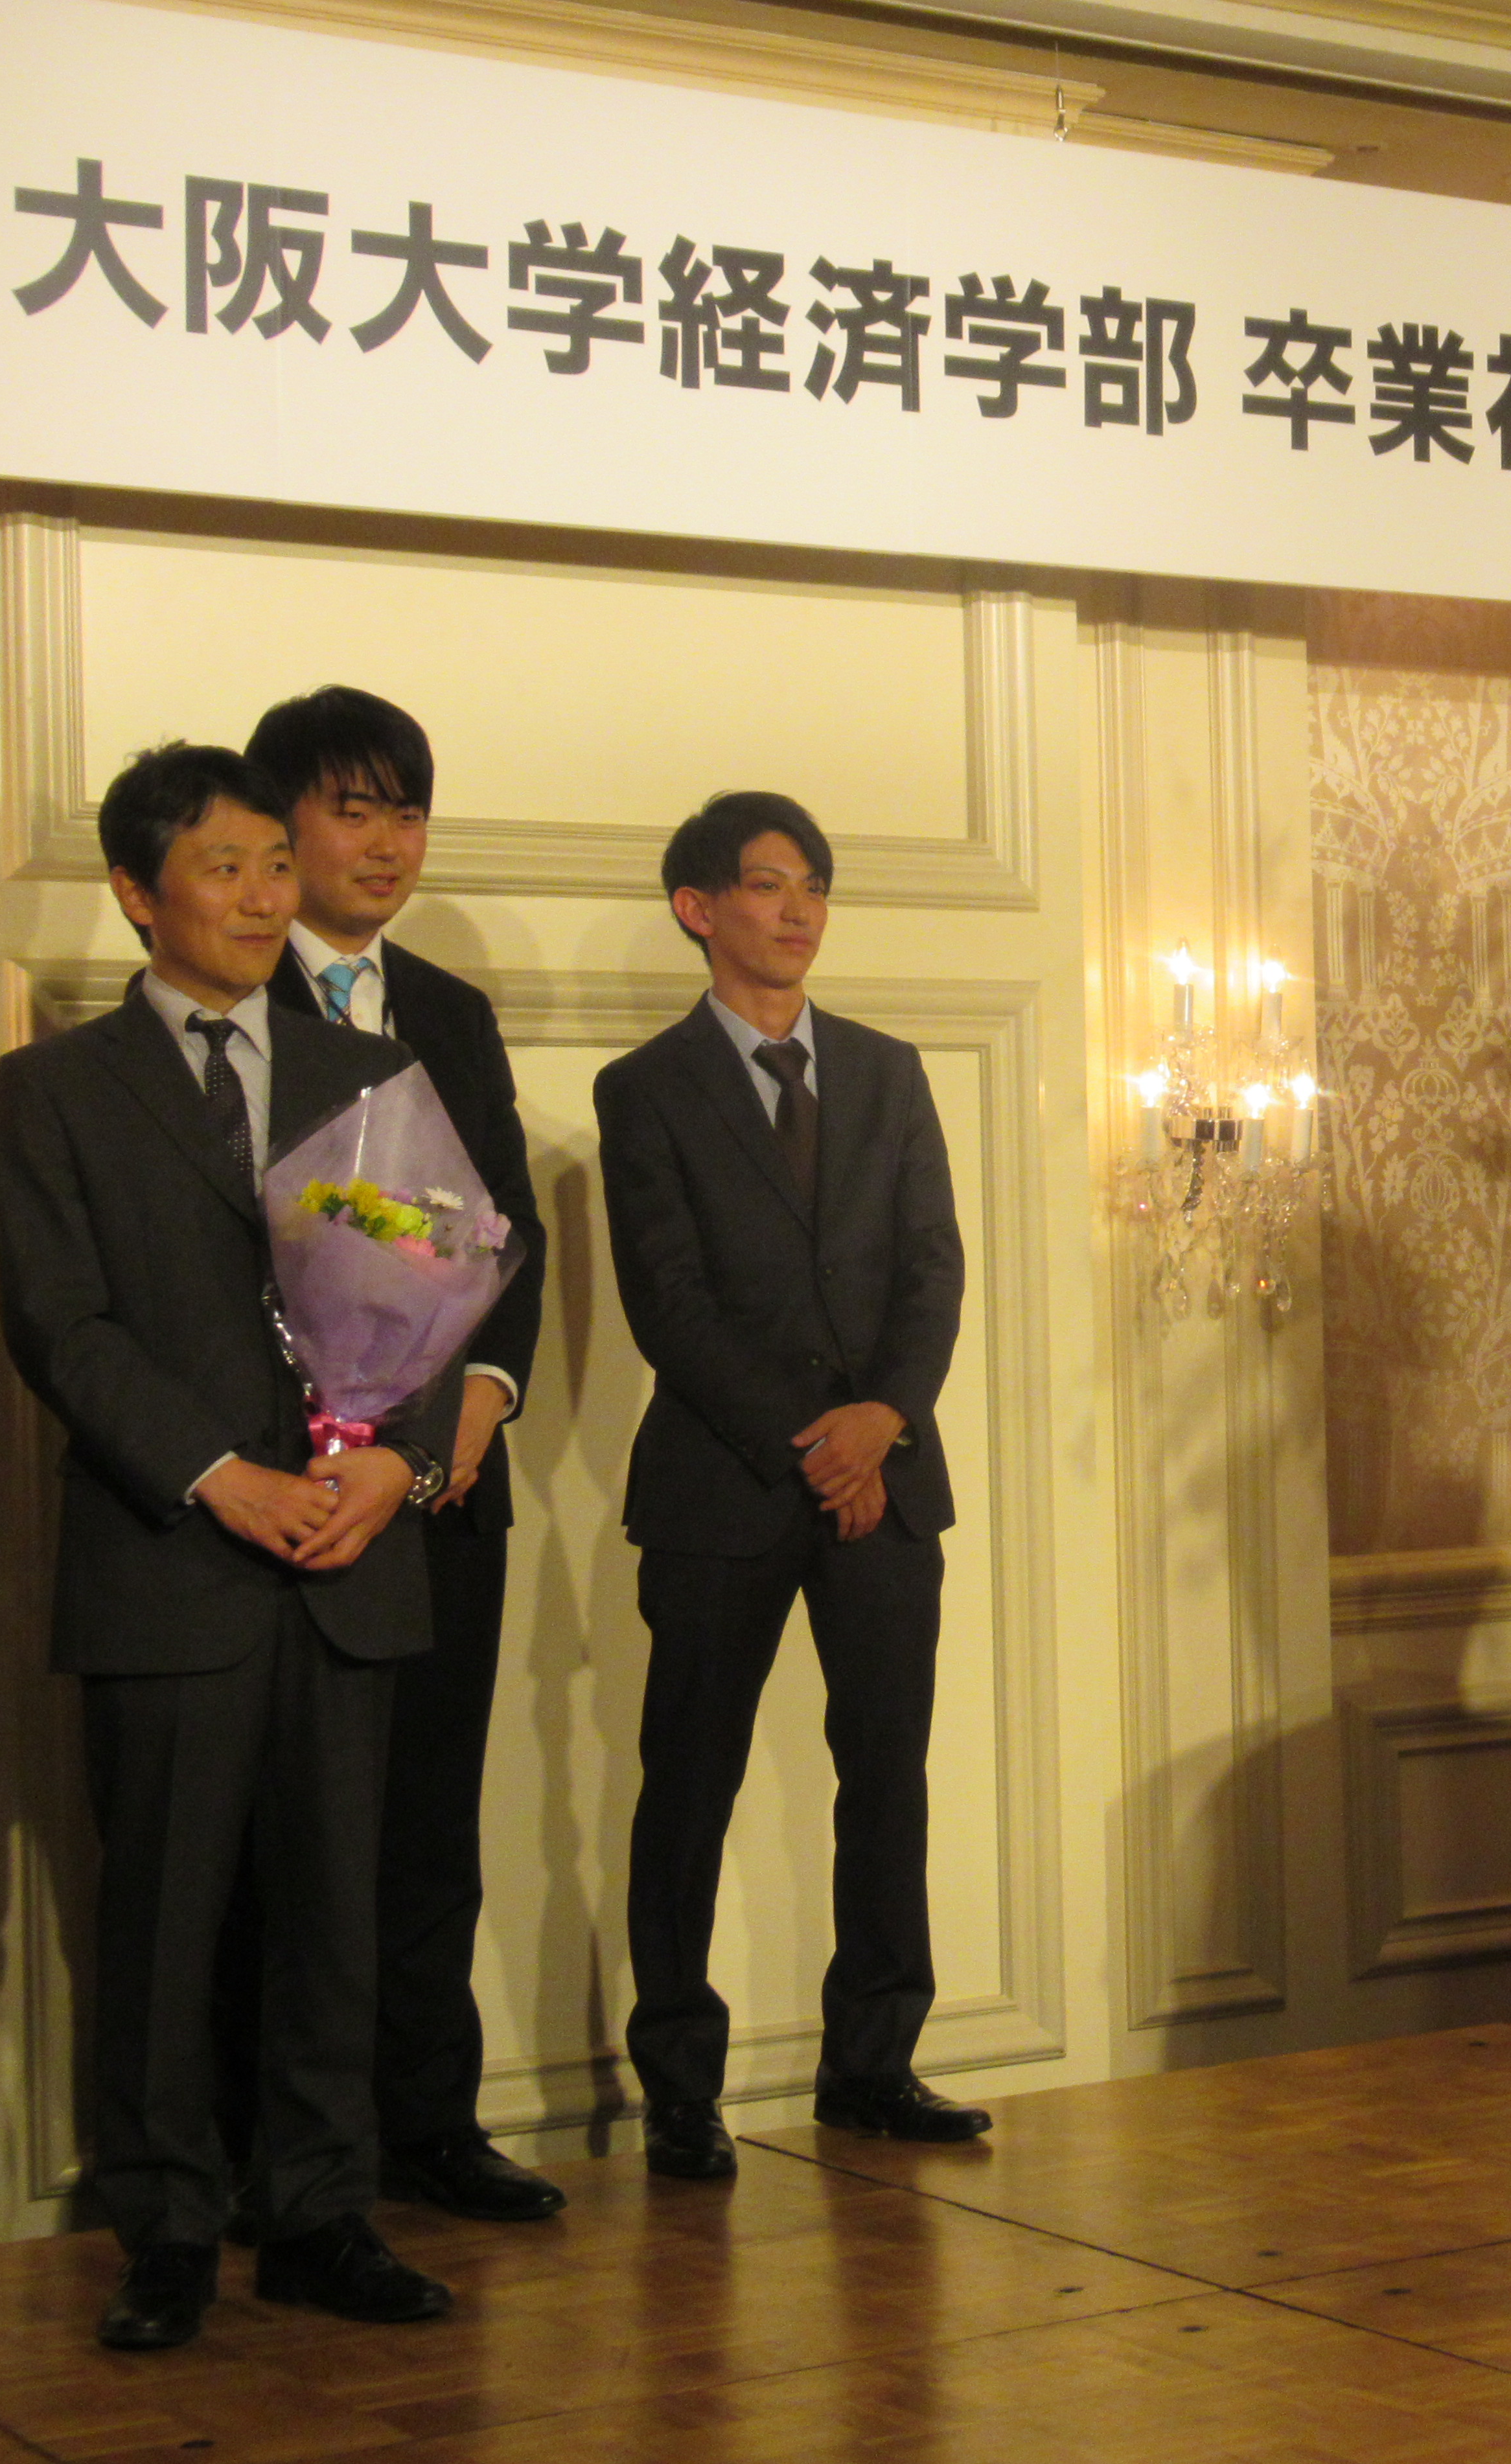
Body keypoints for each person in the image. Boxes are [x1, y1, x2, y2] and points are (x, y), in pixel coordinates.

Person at [0, 746, 460, 2349]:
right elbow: (62, 1325)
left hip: (350, 1555)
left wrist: (396, 1463)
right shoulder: (55, 1089)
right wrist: (216, 1477)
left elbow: (441, 1293)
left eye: (276, 864)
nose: (266, 897)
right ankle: (168, 2228)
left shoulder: (366, 1072)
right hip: (170, 1561)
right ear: (139, 893)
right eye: (226, 868)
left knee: (339, 1916)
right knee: (163, 1921)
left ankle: (324, 2214)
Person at [595, 791, 983, 2182]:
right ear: (699, 908)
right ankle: (680, 2087)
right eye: (768, 884)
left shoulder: (887, 1069)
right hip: (724, 1486)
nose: (799, 909)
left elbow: (933, 1268)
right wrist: (820, 1443)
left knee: (886, 1776)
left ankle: (873, 2063)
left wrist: (883, 1420)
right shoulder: (644, 1089)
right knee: (688, 1784)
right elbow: (670, 1306)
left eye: (814, 883)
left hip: (891, 1481)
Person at [240, 686, 564, 2226]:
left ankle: (431, 2121)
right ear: (280, 823)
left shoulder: (449, 1007)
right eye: (353, 807)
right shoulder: (225, 996)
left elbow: (505, 1234)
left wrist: (478, 1402)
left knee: (432, 1821)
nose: (386, 842)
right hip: (288, 1496)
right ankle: (280, 2161)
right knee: (286, 1836)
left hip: (443, 1491)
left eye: (409, 811)